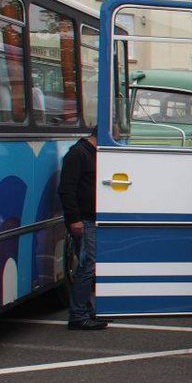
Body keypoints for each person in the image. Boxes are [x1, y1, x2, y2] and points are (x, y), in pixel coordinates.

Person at [59, 127, 107, 331]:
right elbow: (66, 189)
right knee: (87, 266)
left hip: (89, 219)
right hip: (84, 220)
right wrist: (74, 219)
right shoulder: (78, 154)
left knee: (88, 265)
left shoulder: (88, 153)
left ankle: (85, 310)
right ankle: (79, 314)